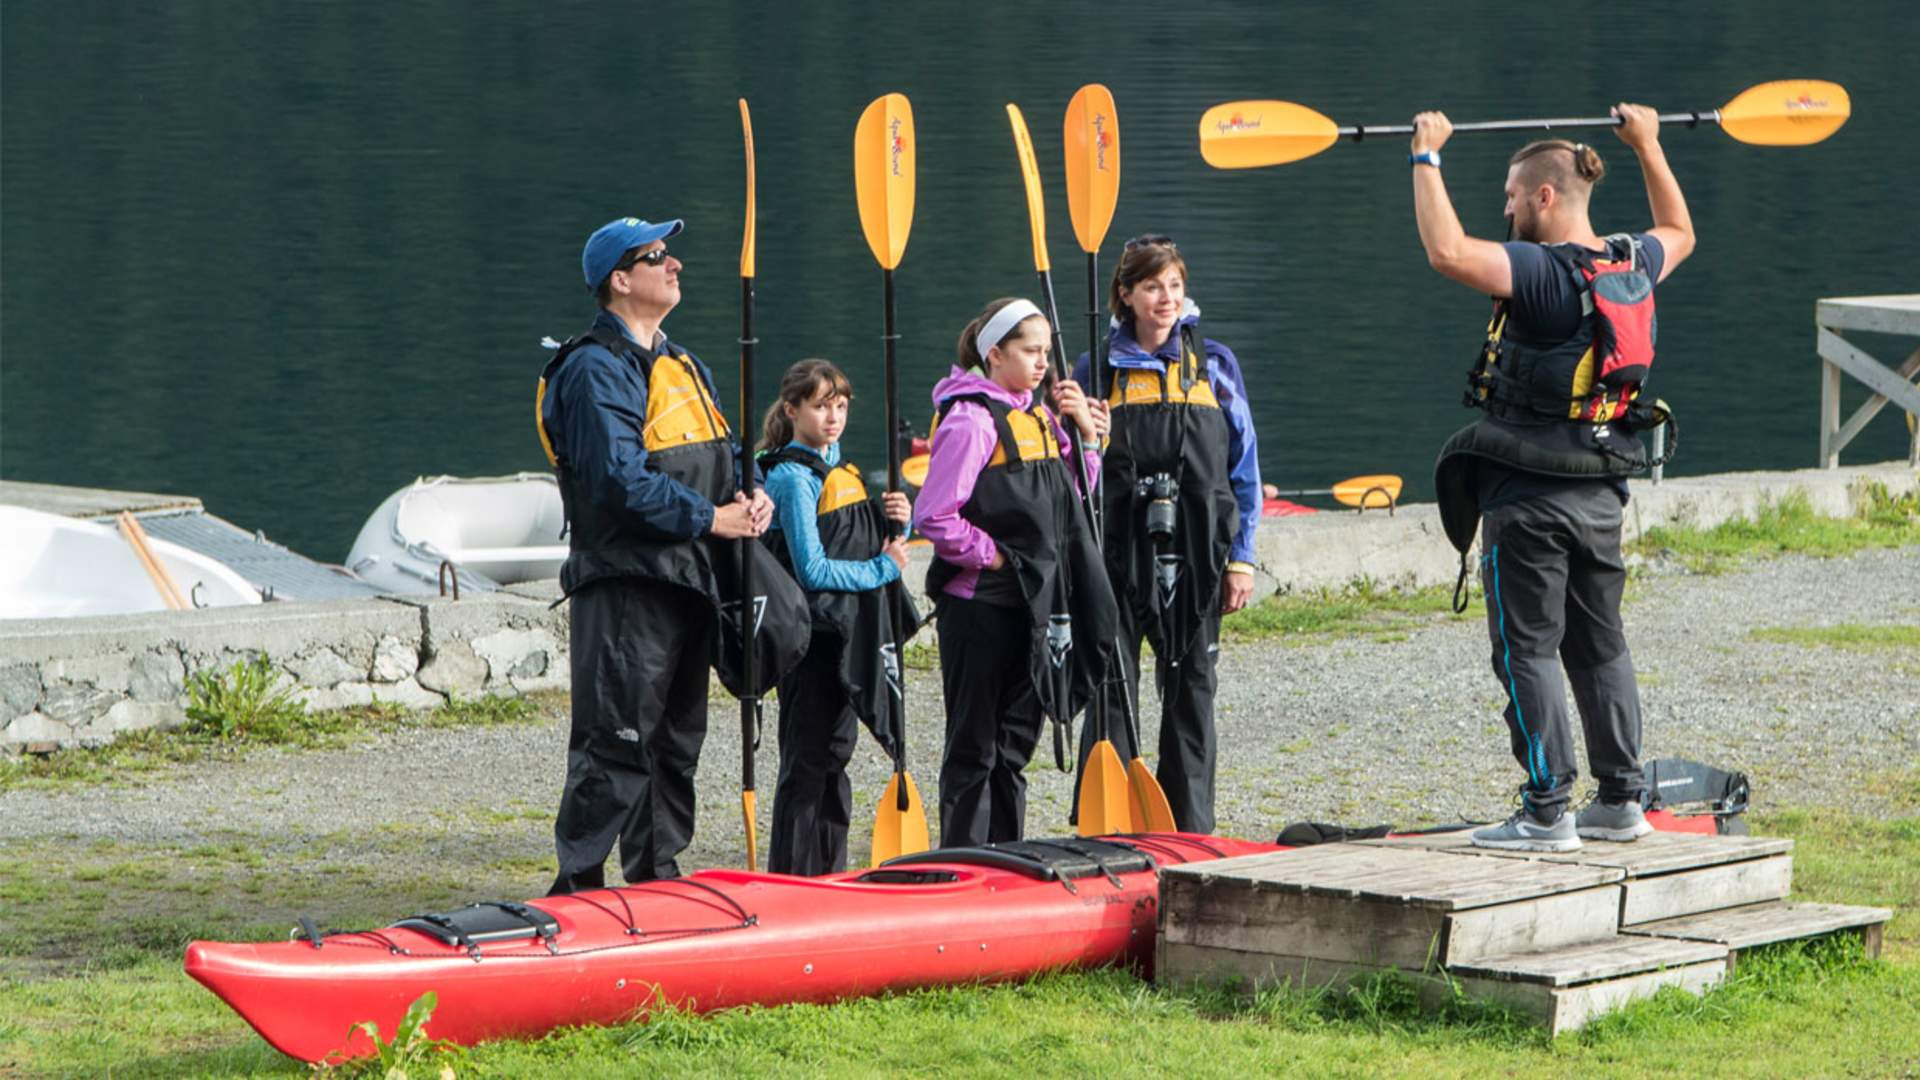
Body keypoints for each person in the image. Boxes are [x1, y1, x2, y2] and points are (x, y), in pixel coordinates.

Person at [1411, 105, 1696, 852]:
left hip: (1529, 495)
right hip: (1604, 493)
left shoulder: (1540, 272)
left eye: (1511, 195)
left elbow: (1445, 252)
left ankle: (1546, 810)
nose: (1504, 208)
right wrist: (1650, 146)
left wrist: (1426, 157)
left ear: (1544, 196)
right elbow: (1682, 231)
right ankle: (1621, 801)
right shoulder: (1629, 261)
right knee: (1600, 647)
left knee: (1526, 649)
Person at [535, 215, 791, 893]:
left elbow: (725, 453)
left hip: (688, 583)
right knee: (615, 744)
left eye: (672, 255)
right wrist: (712, 517)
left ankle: (657, 882)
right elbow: (616, 482)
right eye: (657, 257)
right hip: (625, 585)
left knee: (676, 745)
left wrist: (753, 493)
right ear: (621, 280)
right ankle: (578, 888)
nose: (675, 265)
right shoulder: (593, 369)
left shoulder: (682, 362)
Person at [1070, 236, 1261, 835]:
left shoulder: (1215, 364)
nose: (1166, 298)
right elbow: (1074, 474)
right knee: (1110, 691)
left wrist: (1242, 559)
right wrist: (1086, 434)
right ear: (1125, 294)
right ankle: (1108, 828)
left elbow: (1244, 469)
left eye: (1174, 285)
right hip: (1117, 553)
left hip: (1198, 552)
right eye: (1153, 286)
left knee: (1192, 694)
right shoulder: (1094, 369)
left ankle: (1190, 829)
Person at [913, 297, 1116, 847]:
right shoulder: (971, 421)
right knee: (974, 746)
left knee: (1013, 746)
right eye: (1030, 350)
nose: (1043, 362)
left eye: (1047, 351)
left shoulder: (1042, 416)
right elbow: (933, 516)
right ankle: (963, 861)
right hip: (980, 604)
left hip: (1035, 602)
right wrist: (995, 556)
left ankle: (1008, 856)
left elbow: (1075, 499)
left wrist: (1088, 437)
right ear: (995, 353)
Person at [758, 359, 917, 875]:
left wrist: (897, 520)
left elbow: (851, 532)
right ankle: (792, 874)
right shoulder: (791, 478)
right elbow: (812, 569)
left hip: (844, 637)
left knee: (835, 757)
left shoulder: (836, 467)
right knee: (806, 763)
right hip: (810, 642)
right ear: (792, 410)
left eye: (841, 406)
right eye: (821, 406)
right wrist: (881, 569)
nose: (833, 417)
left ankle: (831, 869)